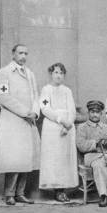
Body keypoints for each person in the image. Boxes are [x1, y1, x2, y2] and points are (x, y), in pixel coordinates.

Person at [0, 44, 40, 205]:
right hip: (12, 122)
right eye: (20, 53)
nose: (23, 56)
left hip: (28, 121)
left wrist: (35, 112)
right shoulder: (4, 72)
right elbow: (3, 97)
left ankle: (20, 193)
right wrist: (25, 112)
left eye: (26, 53)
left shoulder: (30, 74)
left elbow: (36, 96)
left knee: (26, 158)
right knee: (14, 158)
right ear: (13, 54)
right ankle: (9, 194)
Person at [39, 62, 77, 202]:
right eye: (56, 72)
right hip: (52, 127)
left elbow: (72, 110)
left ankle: (63, 189)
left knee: (64, 158)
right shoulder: (45, 90)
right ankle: (57, 190)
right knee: (54, 158)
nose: (58, 75)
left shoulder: (67, 91)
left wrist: (68, 124)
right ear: (51, 74)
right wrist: (61, 120)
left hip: (66, 128)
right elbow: (45, 109)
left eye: (61, 73)